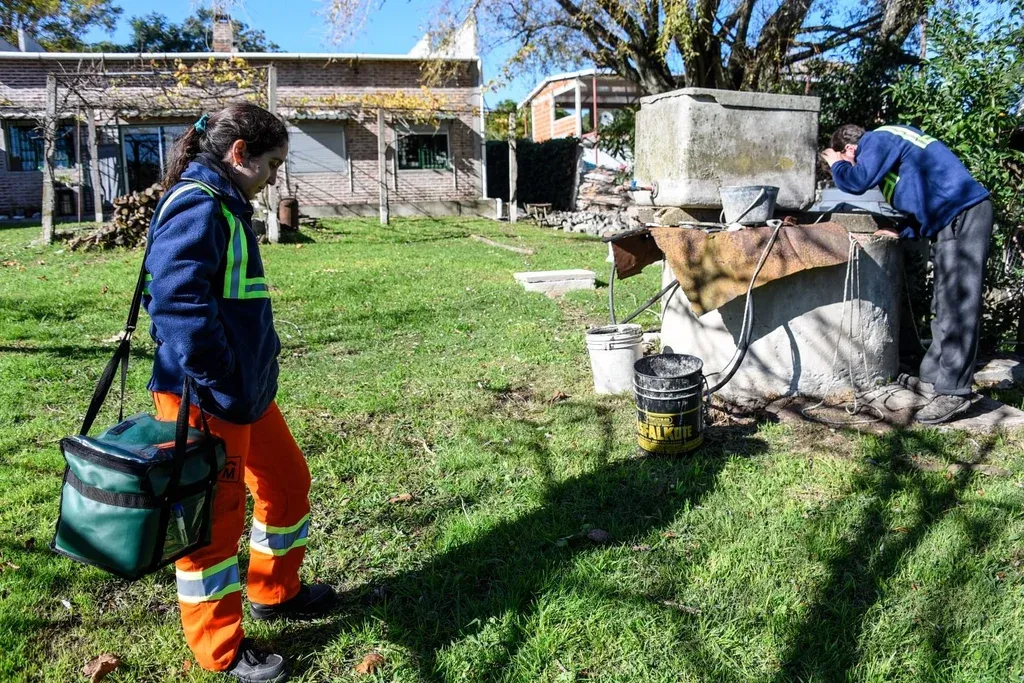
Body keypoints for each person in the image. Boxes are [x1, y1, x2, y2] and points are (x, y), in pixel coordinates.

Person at [144, 102, 336, 682]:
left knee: (287, 482)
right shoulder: (199, 204)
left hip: (244, 392)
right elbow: (175, 302)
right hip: (205, 397)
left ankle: (274, 591)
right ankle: (220, 650)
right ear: (238, 154)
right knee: (212, 527)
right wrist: (221, 375)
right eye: (272, 164)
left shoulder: (224, 203)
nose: (275, 177)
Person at [822, 124, 993, 425]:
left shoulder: (876, 139)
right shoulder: (890, 154)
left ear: (848, 149)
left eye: (844, 159)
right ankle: (933, 379)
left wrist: (836, 164)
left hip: (964, 213)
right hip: (947, 220)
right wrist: (900, 230)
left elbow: (857, 181)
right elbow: (920, 200)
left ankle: (954, 392)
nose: (847, 166)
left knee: (959, 305)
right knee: (944, 305)